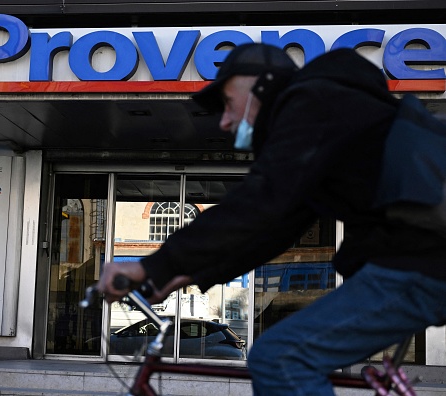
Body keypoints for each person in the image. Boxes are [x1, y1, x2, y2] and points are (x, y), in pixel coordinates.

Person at [98, 43, 446, 395]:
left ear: (260, 85)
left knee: (280, 358)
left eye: (228, 103)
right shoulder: (328, 113)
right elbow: (276, 228)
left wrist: (152, 265)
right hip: (418, 256)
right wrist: (185, 272)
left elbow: (260, 202)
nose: (224, 120)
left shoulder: (312, 102)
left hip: (420, 258)